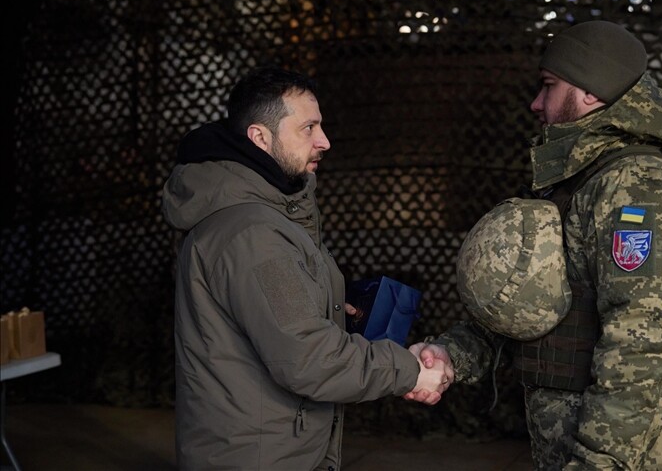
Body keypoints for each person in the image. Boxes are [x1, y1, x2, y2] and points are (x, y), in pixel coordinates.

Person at [406, 21, 662, 470]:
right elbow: (534, 302)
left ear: (590, 92)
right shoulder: (583, 178)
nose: (535, 104)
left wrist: (599, 461)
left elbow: (643, 340)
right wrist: (450, 357)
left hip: (649, 455)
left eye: (548, 86)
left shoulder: (640, 187)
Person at [162, 67, 448, 470]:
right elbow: (310, 360)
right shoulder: (253, 234)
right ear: (260, 137)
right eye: (308, 128)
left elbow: (271, 322)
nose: (324, 141)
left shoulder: (267, 217)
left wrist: (324, 304)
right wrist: (409, 370)